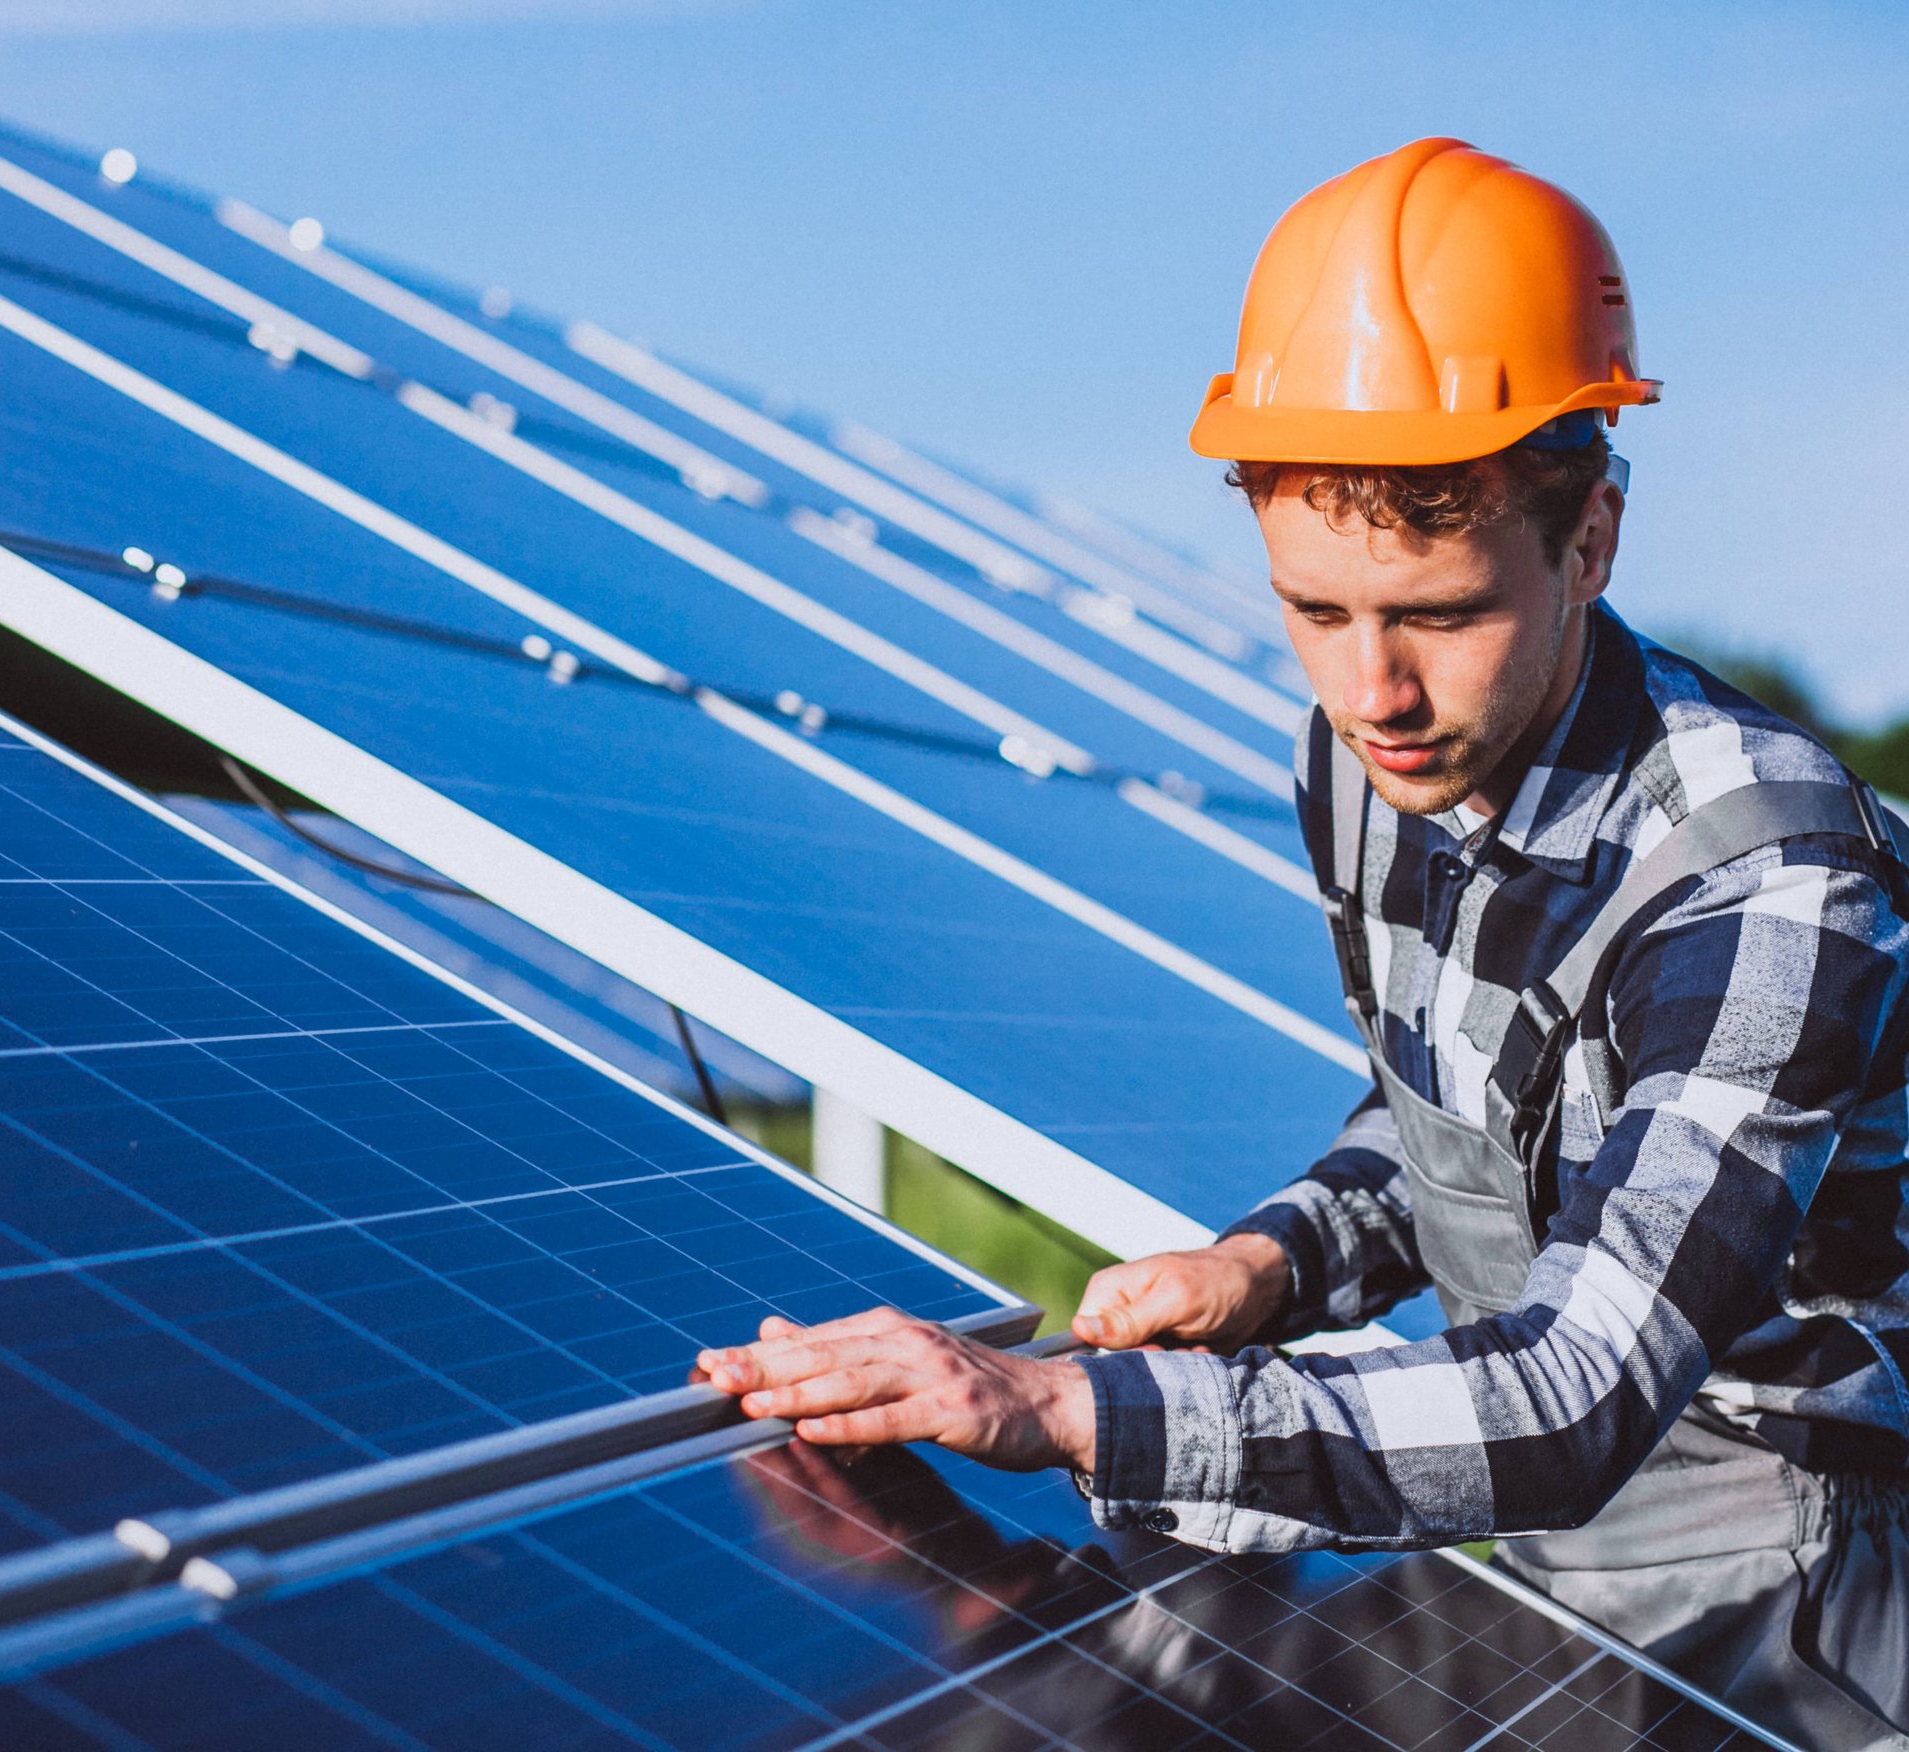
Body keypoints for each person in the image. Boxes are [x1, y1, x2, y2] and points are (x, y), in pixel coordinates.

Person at [697, 139, 1909, 1749]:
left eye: (1442, 613)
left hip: (1792, 1587)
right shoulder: (1367, 762)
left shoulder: (1768, 876)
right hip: (1542, 1528)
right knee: (1041, 1706)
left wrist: (1063, 1404)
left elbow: (1581, 1398)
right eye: (1315, 613)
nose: (1373, 694)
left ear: (1592, 543)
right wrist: (1270, 1259)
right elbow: (1464, 1125)